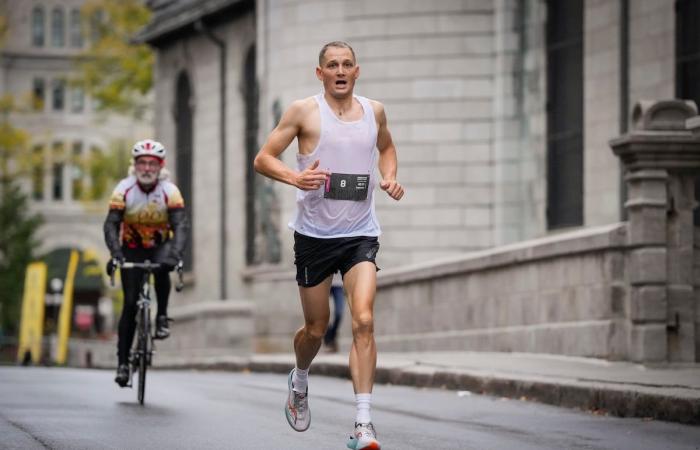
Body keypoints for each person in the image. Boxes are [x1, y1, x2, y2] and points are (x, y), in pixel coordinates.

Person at [254, 41, 404, 450]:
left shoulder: (374, 111)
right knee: (316, 329)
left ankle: (363, 424)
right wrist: (294, 178)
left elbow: (386, 147)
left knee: (363, 321)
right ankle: (300, 378)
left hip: (360, 234)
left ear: (357, 71)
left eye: (347, 65)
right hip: (314, 236)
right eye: (332, 65)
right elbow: (263, 158)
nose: (340, 71)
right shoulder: (304, 111)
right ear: (319, 73)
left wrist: (388, 176)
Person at [103, 139, 188, 387]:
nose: (147, 168)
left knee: (162, 269)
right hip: (131, 249)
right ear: (135, 165)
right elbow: (111, 224)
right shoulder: (124, 189)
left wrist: (175, 254)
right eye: (142, 163)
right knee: (130, 304)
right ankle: (122, 364)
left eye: (152, 163)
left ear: (161, 167)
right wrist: (115, 252)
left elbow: (180, 225)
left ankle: (161, 316)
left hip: (160, 246)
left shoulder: (170, 191)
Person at [324, 273, 345, 353]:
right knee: (322, 314)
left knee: (339, 313)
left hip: (338, 284)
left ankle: (332, 337)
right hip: (323, 282)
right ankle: (328, 340)